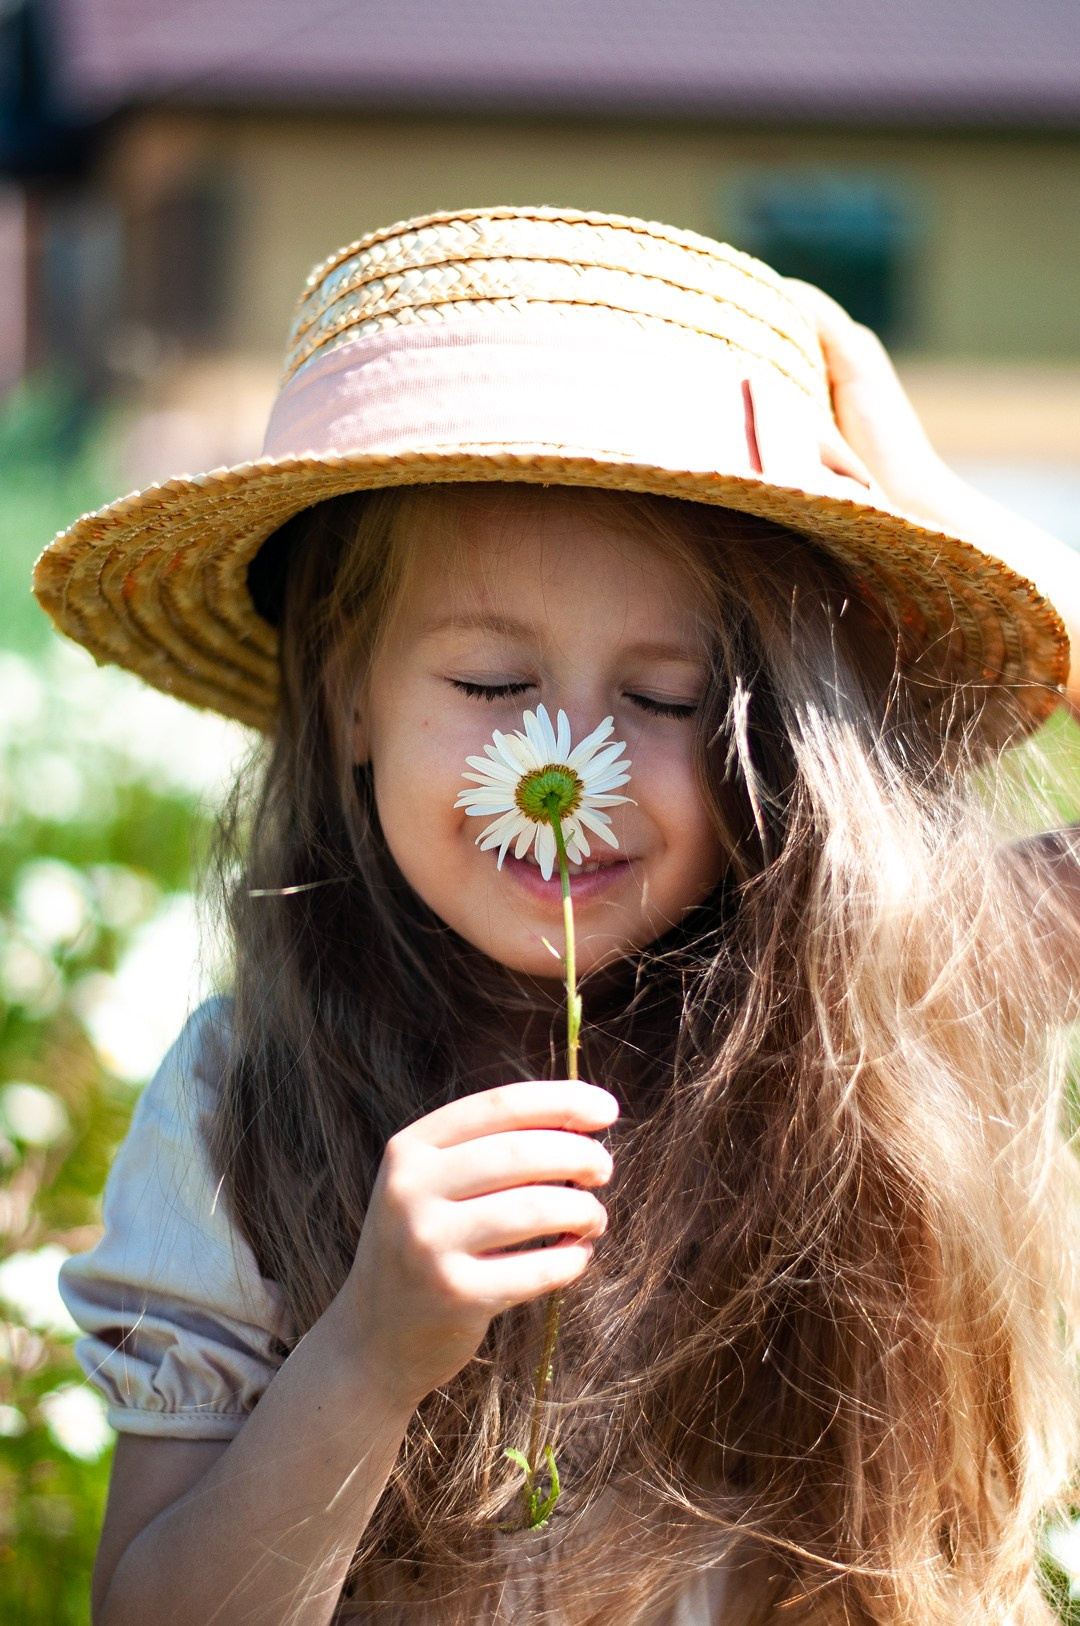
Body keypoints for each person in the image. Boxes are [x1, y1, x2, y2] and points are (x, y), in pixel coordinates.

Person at [40, 206, 1080, 1626]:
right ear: (347, 690)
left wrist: (980, 546)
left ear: (774, 739)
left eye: (664, 701)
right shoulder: (244, 1100)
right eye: (485, 685)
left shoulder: (888, 997)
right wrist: (363, 1358)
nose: (568, 772)